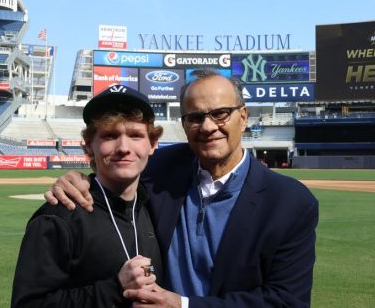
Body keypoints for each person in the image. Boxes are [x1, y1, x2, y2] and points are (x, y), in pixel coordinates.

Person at [45, 69, 319, 307]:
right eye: (195, 117)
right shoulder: (161, 168)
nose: (208, 126)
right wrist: (83, 180)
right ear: (184, 124)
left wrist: (183, 306)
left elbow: (286, 301)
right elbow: (116, 168)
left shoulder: (289, 202)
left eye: (220, 114)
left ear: (243, 117)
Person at [11, 85, 164, 308]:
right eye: (110, 136)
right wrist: (115, 288)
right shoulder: (59, 216)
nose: (123, 147)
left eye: (135, 135)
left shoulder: (152, 205)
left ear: (152, 144)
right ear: (89, 147)